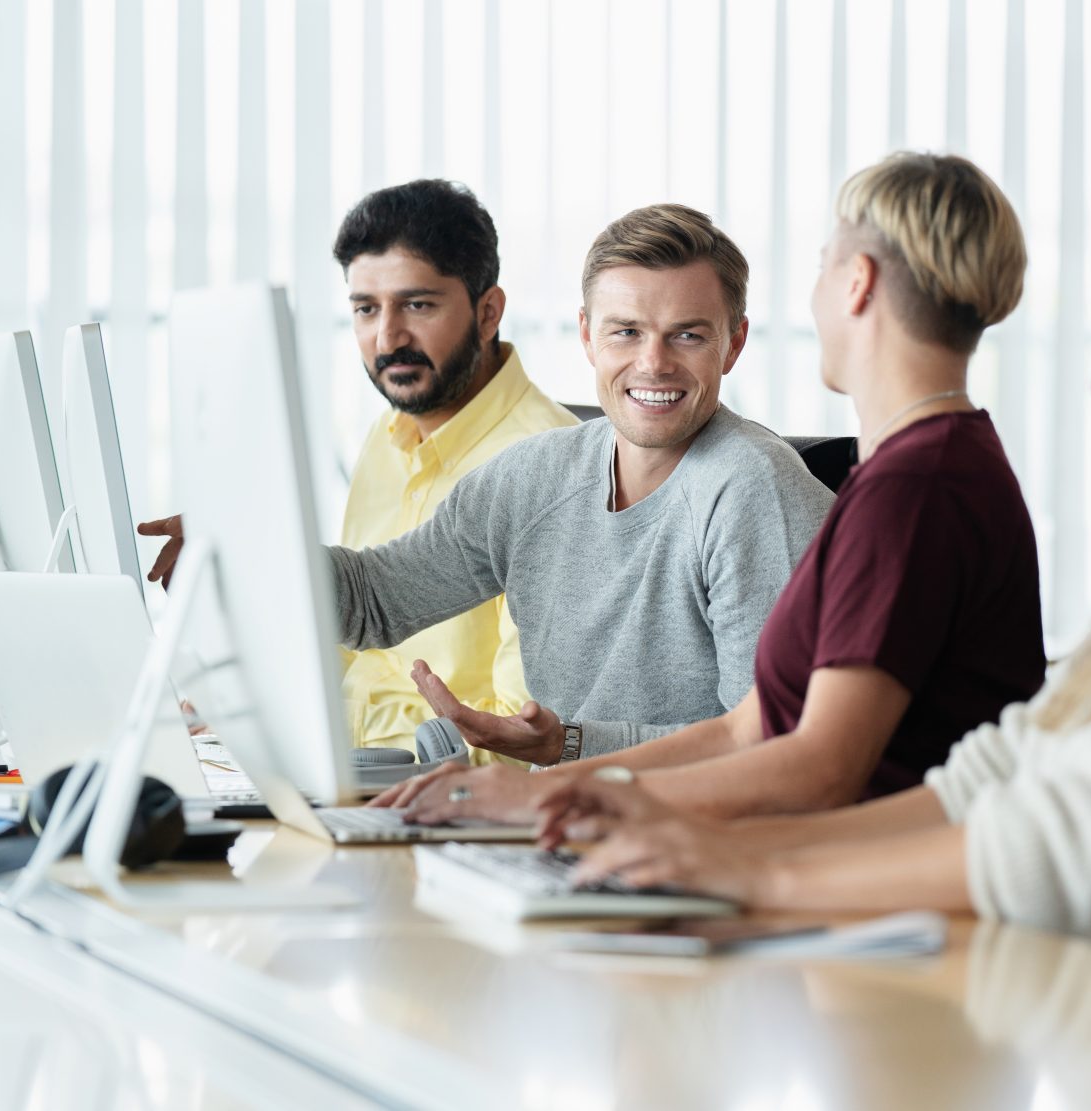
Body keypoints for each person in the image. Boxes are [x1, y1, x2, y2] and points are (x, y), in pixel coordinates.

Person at [534, 173, 1091, 977]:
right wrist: (715, 848)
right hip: (1073, 991)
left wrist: (759, 868)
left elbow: (1062, 841)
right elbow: (1004, 772)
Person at [384, 153, 1046, 822]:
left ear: (856, 282)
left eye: (822, 264)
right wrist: (557, 774)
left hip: (860, 884)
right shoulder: (915, 474)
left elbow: (813, 767)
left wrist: (549, 798)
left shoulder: (914, 492)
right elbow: (746, 729)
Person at [328, 203, 835, 761]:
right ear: (588, 337)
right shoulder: (530, 477)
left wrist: (571, 746)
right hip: (561, 823)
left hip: (693, 832)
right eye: (626, 332)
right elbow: (374, 603)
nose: (653, 363)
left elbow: (772, 747)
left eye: (686, 335)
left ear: (733, 344)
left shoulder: (752, 490)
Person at [141, 180, 577, 763]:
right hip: (350, 768)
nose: (387, 337)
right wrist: (248, 709)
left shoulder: (549, 465)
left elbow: (523, 740)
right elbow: (357, 649)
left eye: (417, 305)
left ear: (488, 311)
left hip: (444, 797)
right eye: (366, 309)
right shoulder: (388, 435)